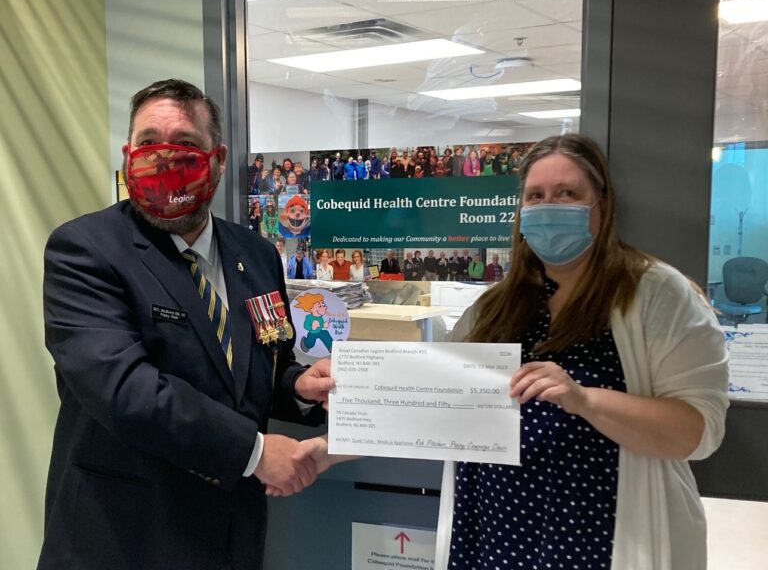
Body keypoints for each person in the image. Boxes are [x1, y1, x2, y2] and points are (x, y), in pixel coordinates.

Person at [298, 134, 730, 570]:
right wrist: (331, 443)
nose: (549, 206)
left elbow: (697, 431)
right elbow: (433, 406)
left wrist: (583, 399)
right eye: (536, 196)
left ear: (601, 204)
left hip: (597, 539)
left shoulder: (656, 294)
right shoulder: (495, 308)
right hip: (493, 536)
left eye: (567, 193)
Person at [37, 79, 336, 570]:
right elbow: (125, 391)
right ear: (127, 152)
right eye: (148, 143)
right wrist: (256, 452)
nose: (164, 158)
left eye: (186, 145)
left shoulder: (256, 255)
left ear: (217, 159)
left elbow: (262, 360)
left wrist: (299, 385)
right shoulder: (85, 250)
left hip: (230, 535)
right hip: (123, 536)